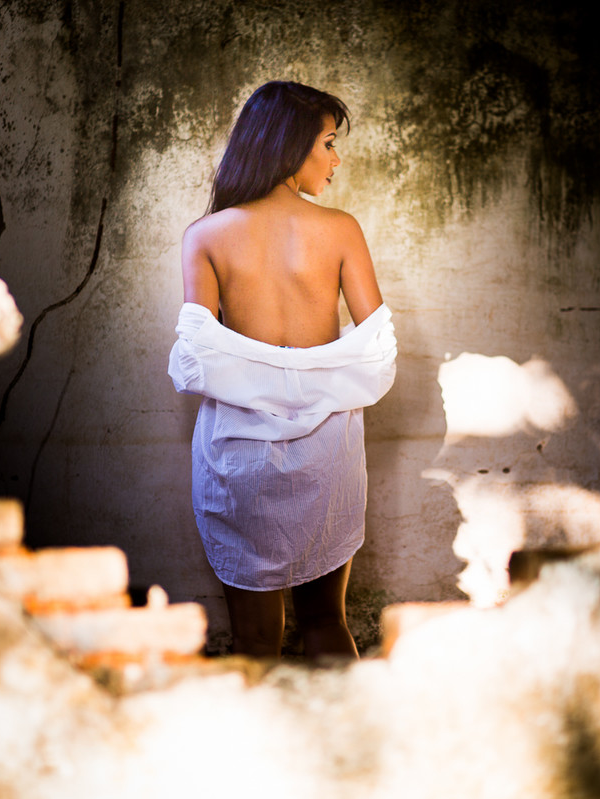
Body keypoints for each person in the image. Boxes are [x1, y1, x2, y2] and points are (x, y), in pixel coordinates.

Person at [167, 81, 396, 660]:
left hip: (238, 451)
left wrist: (262, 370)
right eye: (327, 143)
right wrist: (317, 373)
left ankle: (261, 751)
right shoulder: (340, 229)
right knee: (325, 624)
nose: (335, 159)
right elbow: (377, 347)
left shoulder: (206, 236)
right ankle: (347, 750)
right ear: (290, 146)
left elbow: (198, 358)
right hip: (327, 446)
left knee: (255, 641)